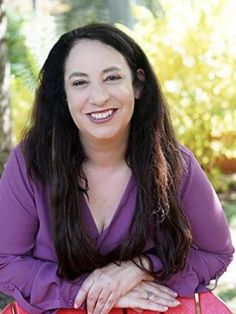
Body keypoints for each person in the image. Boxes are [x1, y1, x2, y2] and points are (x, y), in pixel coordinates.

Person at [0, 23, 234, 314]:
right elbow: (6, 261)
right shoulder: (30, 163)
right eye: (80, 82)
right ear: (63, 95)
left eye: (111, 78)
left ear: (137, 85)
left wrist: (142, 267)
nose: (98, 97)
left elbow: (216, 253)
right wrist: (99, 293)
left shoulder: (175, 164)